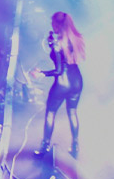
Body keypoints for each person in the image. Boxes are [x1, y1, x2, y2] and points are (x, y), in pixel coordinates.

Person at [37, 11, 87, 159]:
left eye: (53, 23)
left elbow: (58, 70)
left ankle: (45, 146)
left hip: (62, 83)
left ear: (57, 25)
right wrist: (52, 44)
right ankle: (75, 146)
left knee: (50, 112)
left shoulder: (58, 43)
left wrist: (41, 73)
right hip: (77, 81)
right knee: (72, 112)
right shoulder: (77, 38)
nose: (51, 25)